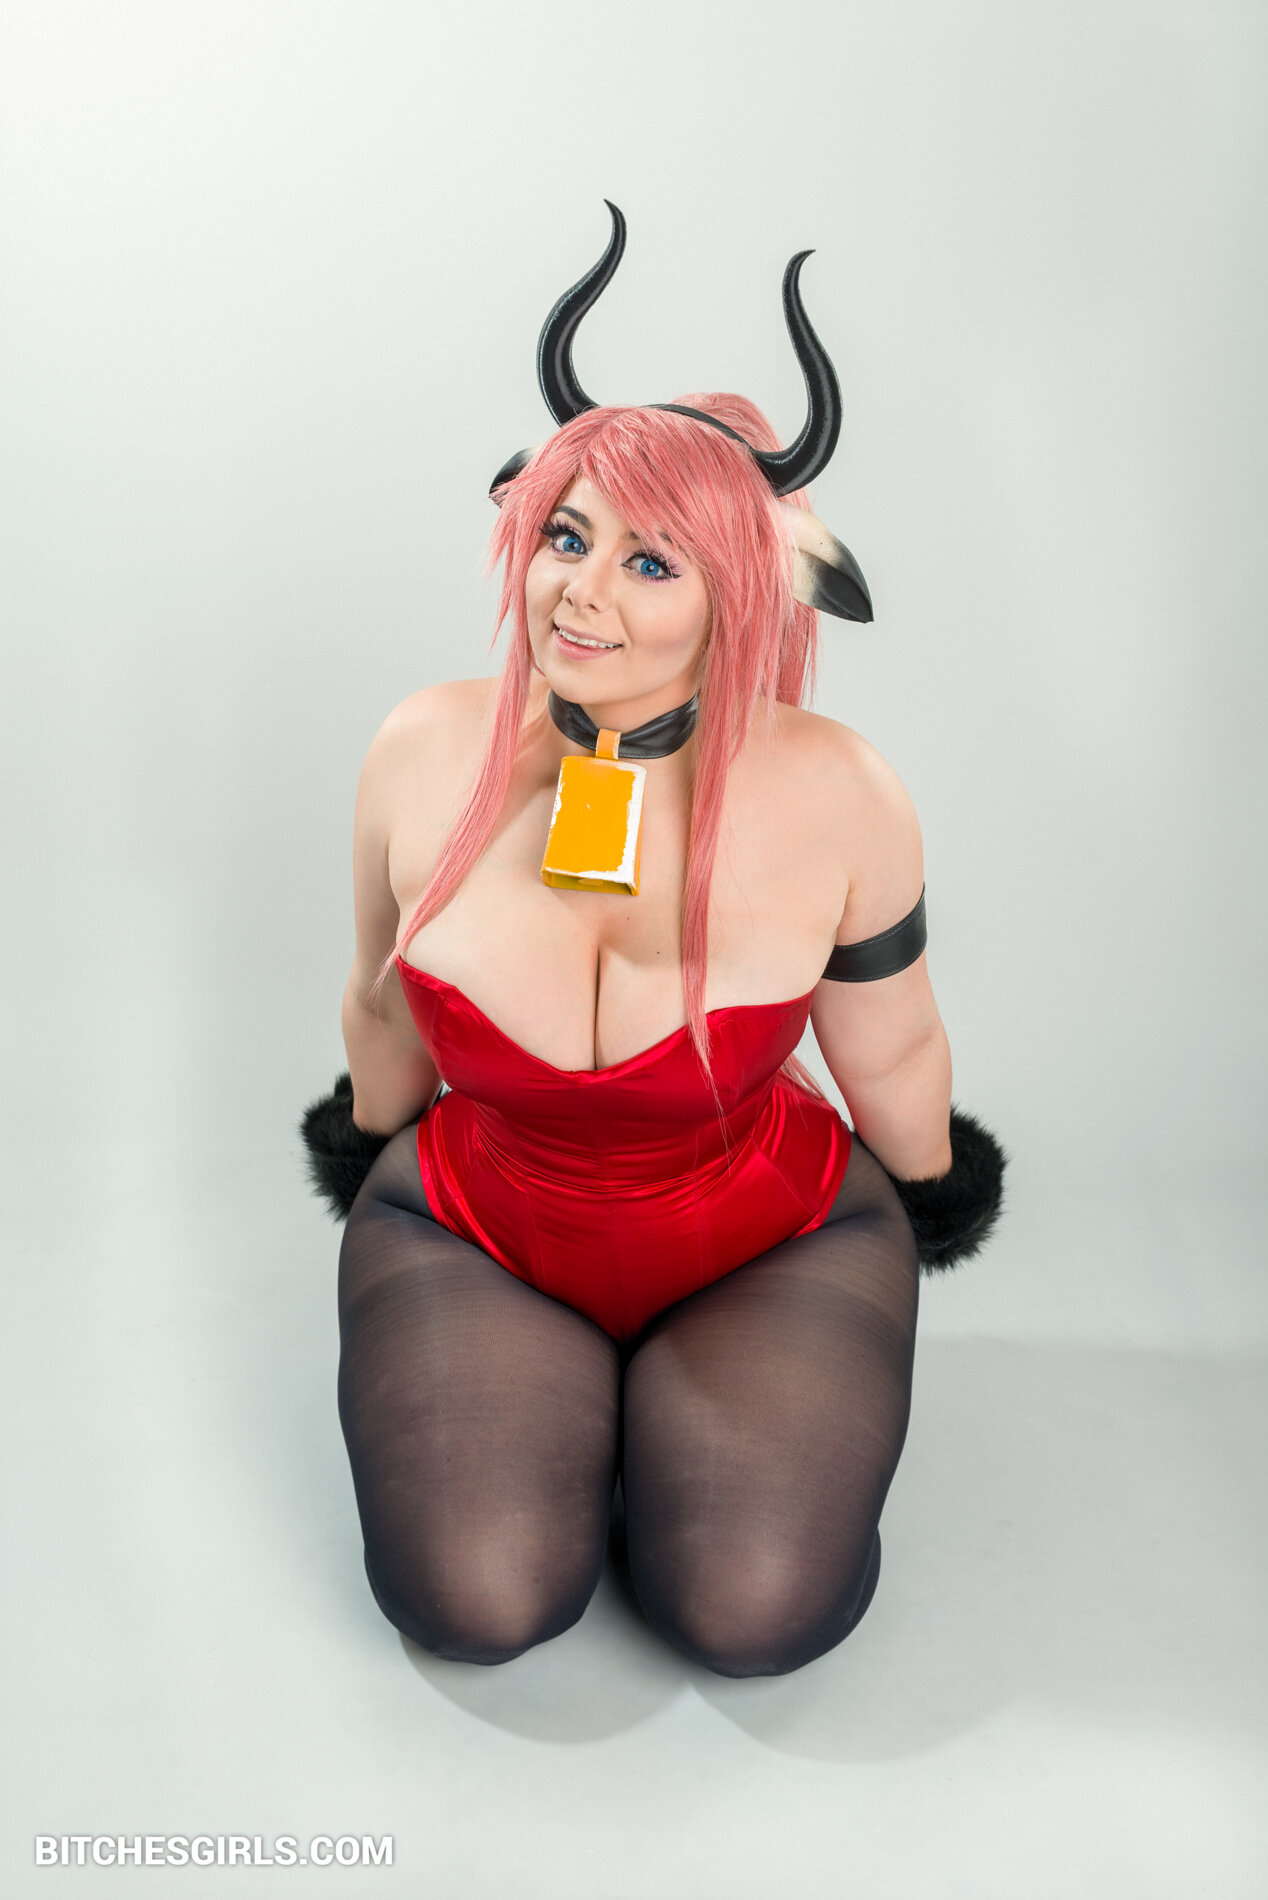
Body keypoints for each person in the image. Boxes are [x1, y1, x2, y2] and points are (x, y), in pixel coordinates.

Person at [303, 205, 1004, 1677]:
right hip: (478, 1227)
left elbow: (896, 1046)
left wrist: (934, 1187)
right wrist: (362, 1141)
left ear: (751, 587)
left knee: (754, 1612)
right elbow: (378, 1005)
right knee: (475, 1600)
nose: (582, 592)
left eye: (654, 563)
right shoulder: (423, 750)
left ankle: (674, 1424)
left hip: (769, 1240)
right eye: (568, 537)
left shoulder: (840, 789)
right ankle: (582, 1416)